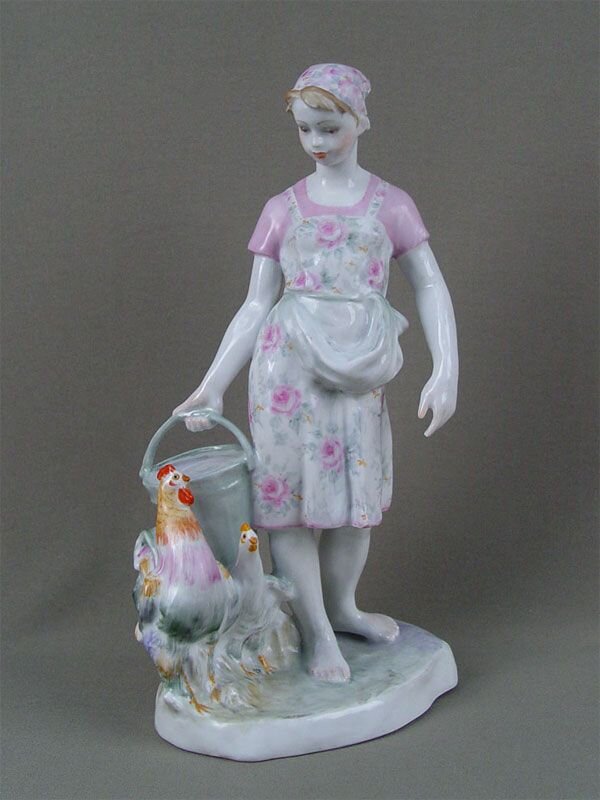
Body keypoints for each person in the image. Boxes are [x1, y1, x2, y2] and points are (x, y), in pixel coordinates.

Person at [173, 64, 458, 683]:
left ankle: (343, 606)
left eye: (329, 127)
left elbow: (430, 284)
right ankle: (318, 632)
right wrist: (213, 383)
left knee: (357, 504)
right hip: (288, 368)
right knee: (289, 507)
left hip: (360, 367)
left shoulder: (392, 204)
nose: (317, 141)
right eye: (305, 129)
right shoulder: (282, 209)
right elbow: (255, 304)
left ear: (360, 121)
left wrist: (447, 368)